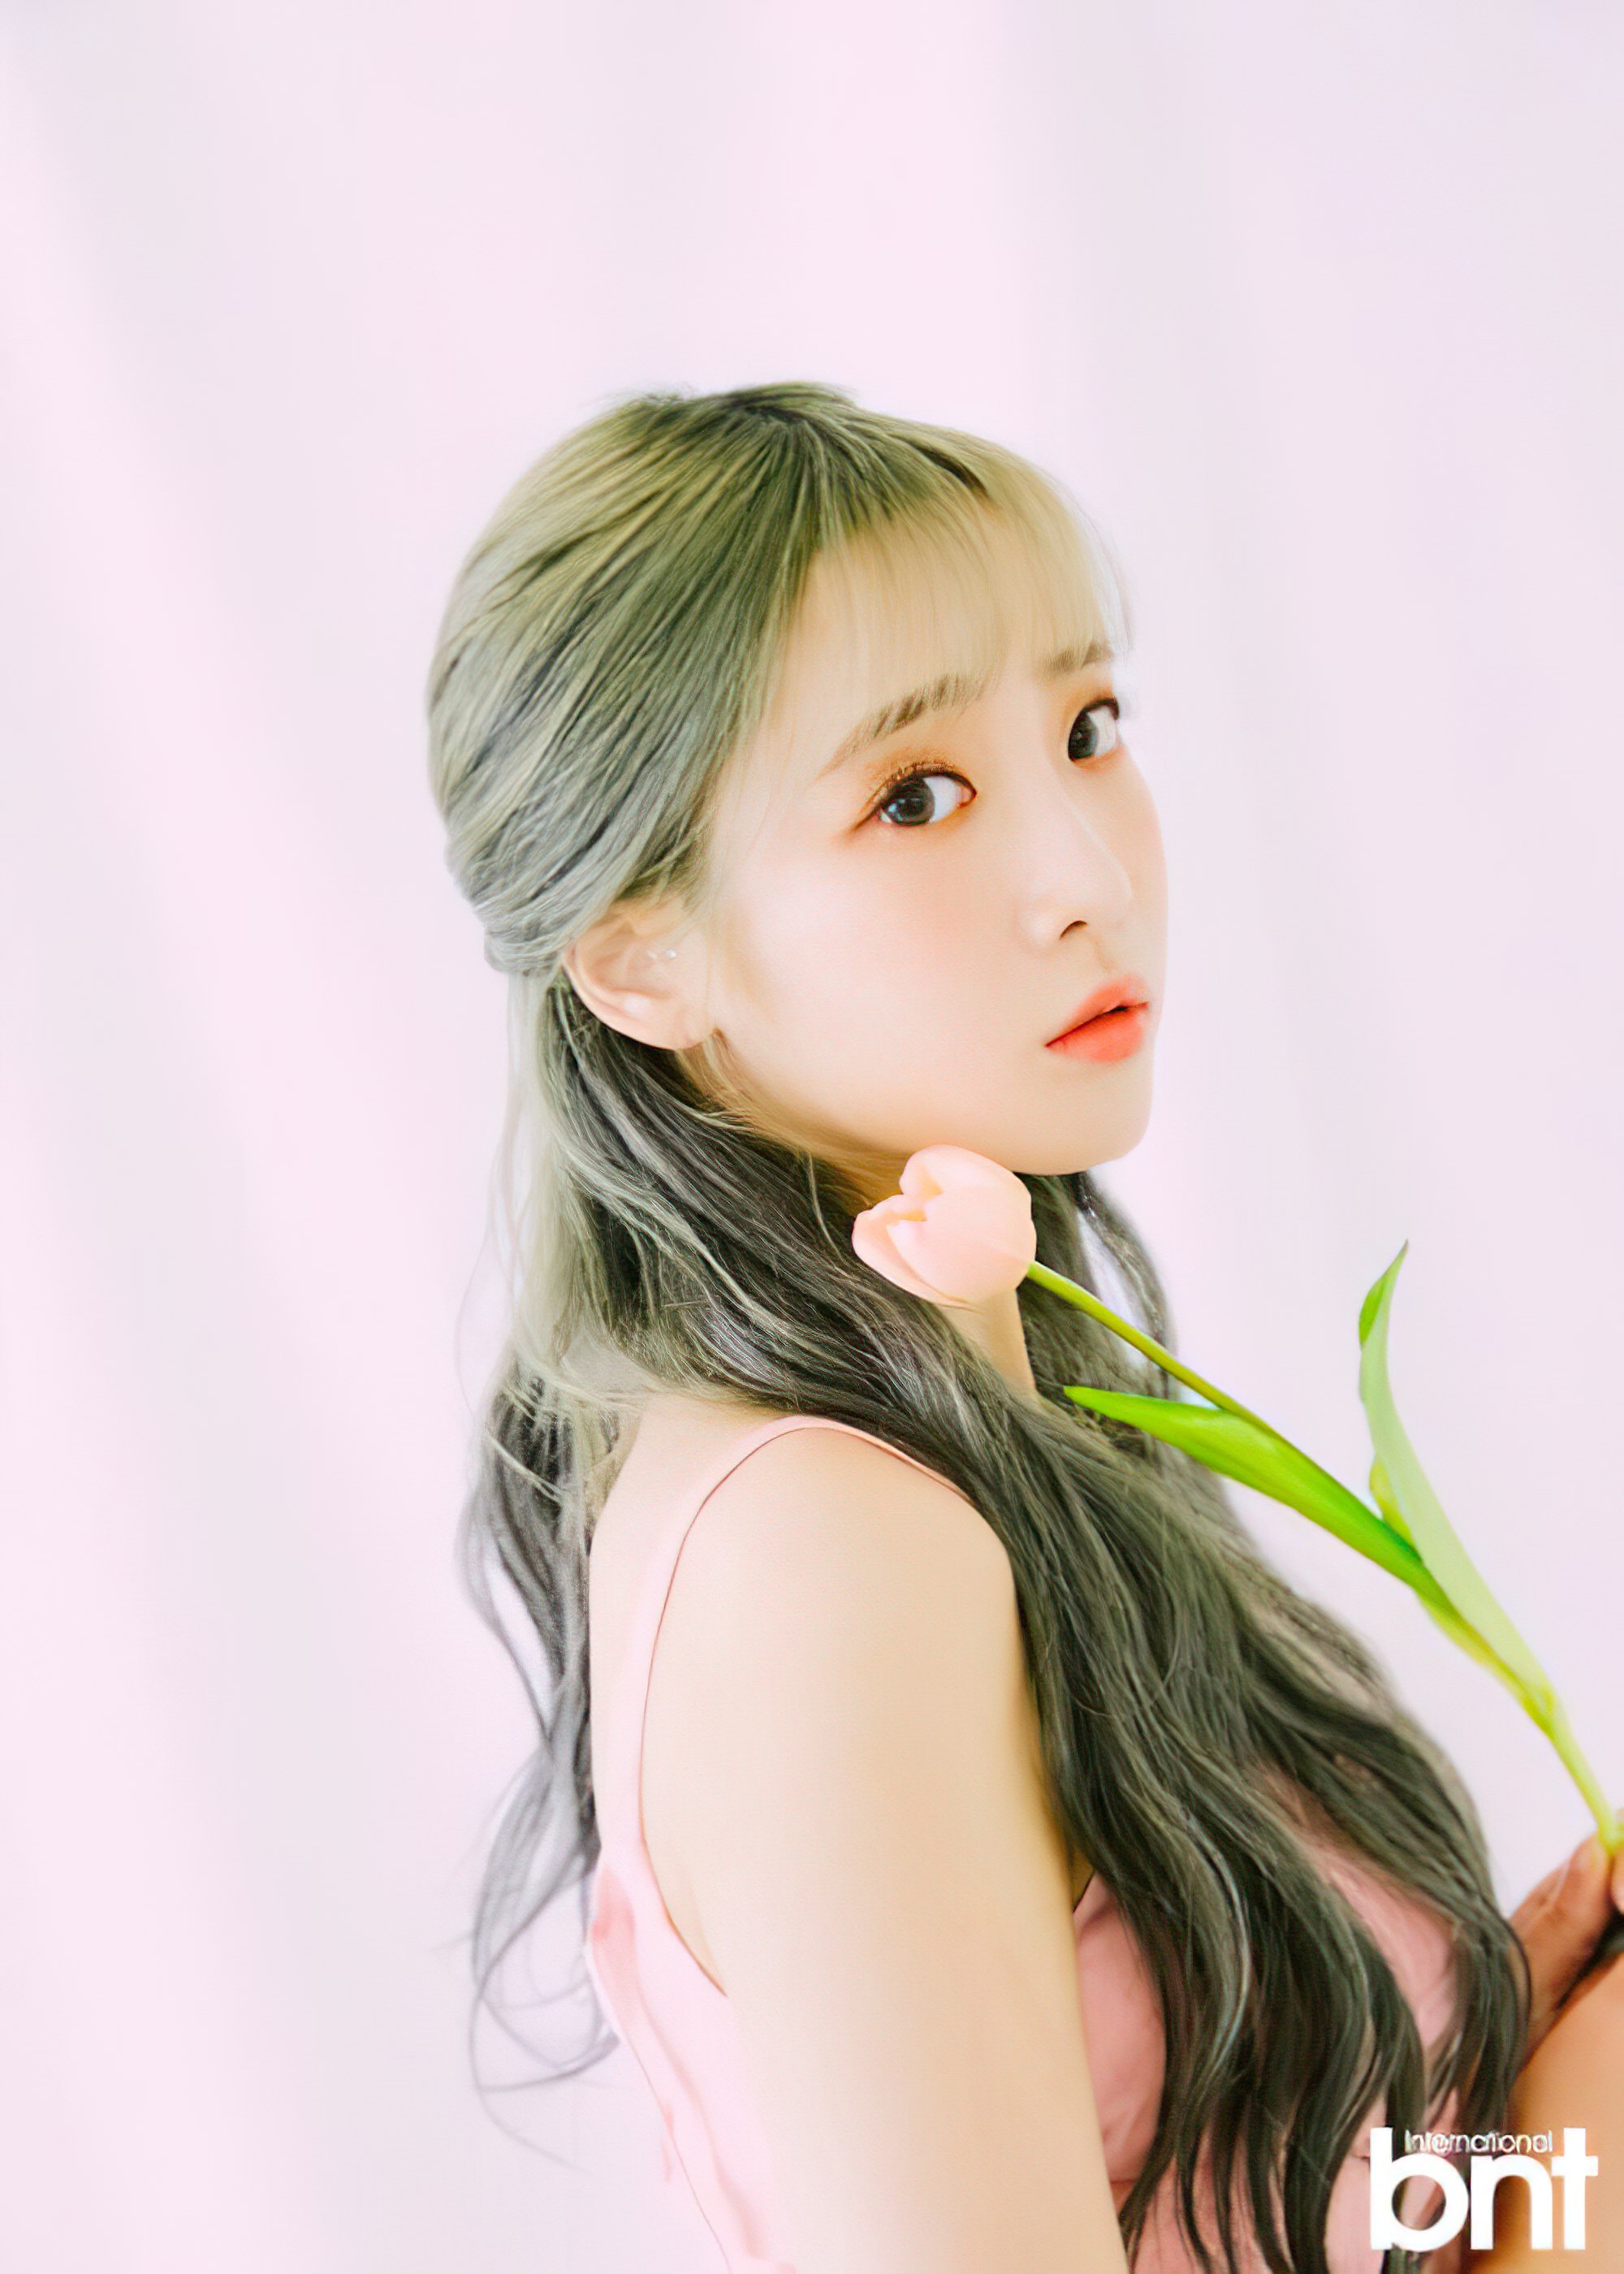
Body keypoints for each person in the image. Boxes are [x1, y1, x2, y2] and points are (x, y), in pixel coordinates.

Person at [425, 383, 1623, 2274]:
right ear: (641, 953)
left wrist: (1466, 2103)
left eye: (1087, 728)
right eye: (913, 796)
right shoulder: (823, 1544)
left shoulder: (942, 1429)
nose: (1089, 876)